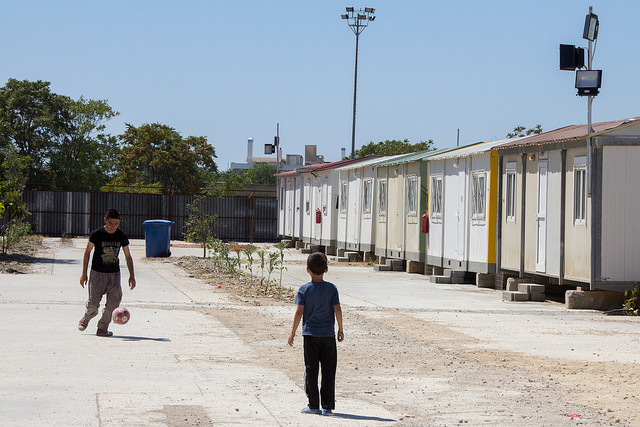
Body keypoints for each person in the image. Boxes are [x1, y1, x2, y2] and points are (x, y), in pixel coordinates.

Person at [288, 252, 344, 415]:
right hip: (328, 335)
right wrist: (340, 329)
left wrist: (292, 333)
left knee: (311, 369)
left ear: (307, 270)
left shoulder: (304, 290)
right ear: (326, 269)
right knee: (328, 370)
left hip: (310, 335)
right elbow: (337, 309)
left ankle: (313, 405)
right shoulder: (332, 288)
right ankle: (327, 406)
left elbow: (299, 312)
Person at [78, 209, 136, 337]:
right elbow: (87, 252)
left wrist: (132, 276)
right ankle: (86, 318)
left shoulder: (121, 236)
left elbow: (128, 256)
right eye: (110, 223)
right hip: (97, 274)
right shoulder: (97, 234)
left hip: (114, 275)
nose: (113, 227)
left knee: (113, 303)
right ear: (105, 220)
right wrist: (84, 274)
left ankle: (102, 328)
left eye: (116, 224)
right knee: (93, 304)